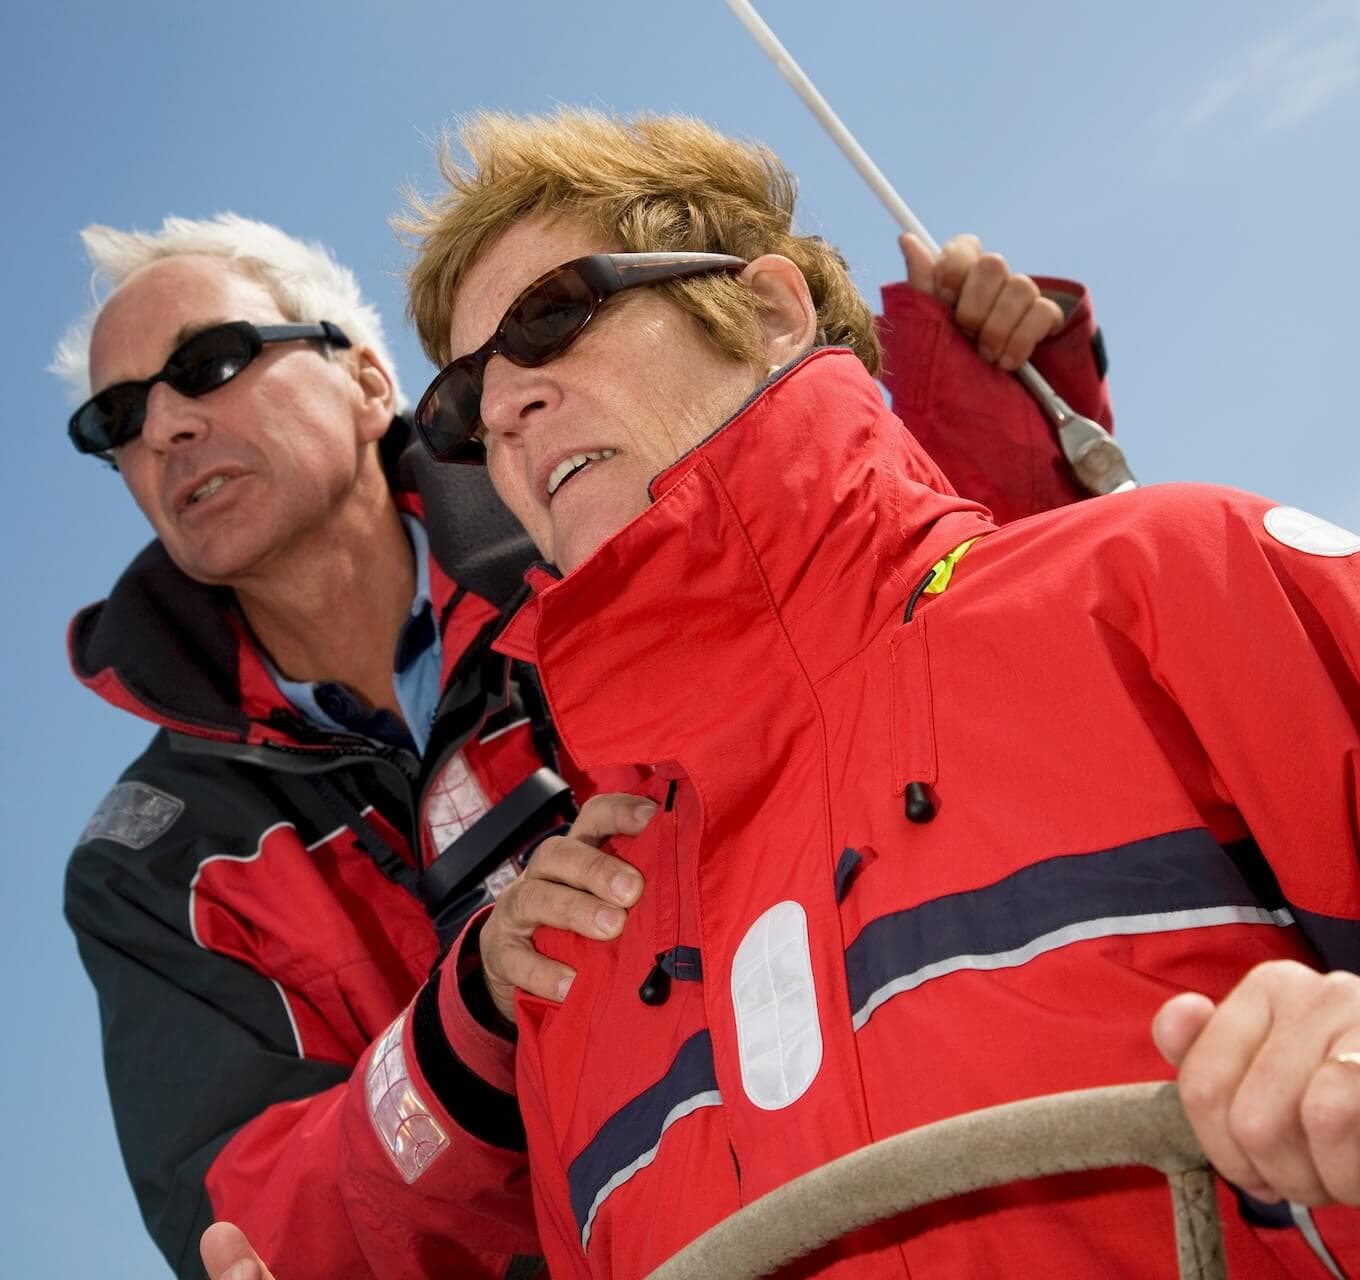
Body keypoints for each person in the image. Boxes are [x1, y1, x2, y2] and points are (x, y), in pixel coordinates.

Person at [372, 108, 1360, 1278]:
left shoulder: (1170, 585)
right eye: (458, 402)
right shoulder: (575, 968)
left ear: (765, 308)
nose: (504, 405)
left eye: (552, 317)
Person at [57, 209, 1119, 1278]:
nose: (165, 428)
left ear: (372, 380)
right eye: (116, 419)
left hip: (883, 1183)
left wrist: (1003, 405)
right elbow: (253, 1237)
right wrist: (465, 1016)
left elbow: (953, 682)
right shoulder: (157, 861)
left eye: (211, 361)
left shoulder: (609, 536)